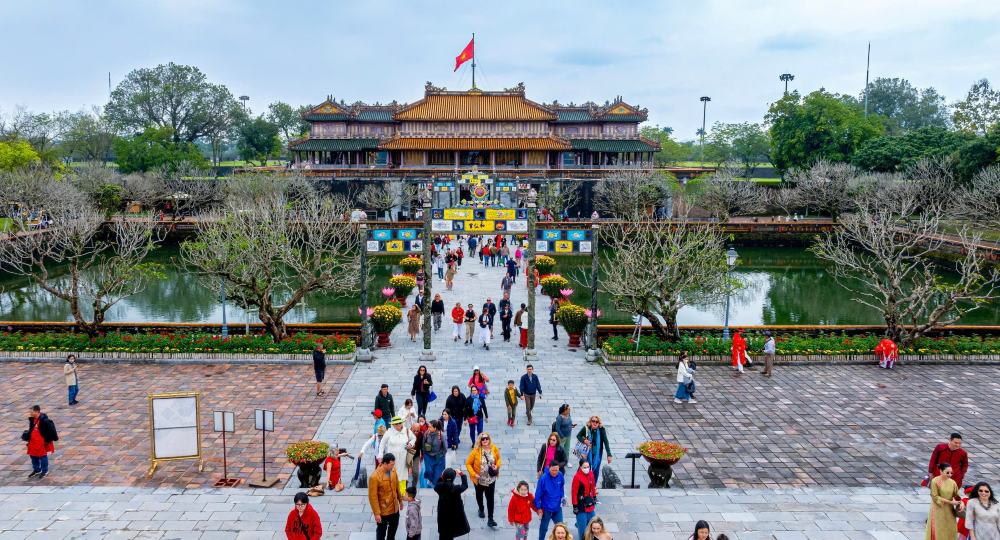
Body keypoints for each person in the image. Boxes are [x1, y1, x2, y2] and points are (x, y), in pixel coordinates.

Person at [465, 432, 502, 528]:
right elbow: (468, 463)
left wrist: (496, 466)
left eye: (486, 438)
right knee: (479, 495)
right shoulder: (476, 451)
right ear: (480, 441)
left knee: (490, 498)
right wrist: (474, 474)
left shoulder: (494, 448)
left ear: (489, 439)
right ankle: (481, 509)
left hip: (491, 479)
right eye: (483, 439)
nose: (485, 440)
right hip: (479, 479)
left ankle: (490, 518)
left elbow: (498, 459)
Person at [378, 417, 416, 496]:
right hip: (392, 459)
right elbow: (382, 443)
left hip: (403, 458)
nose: (398, 425)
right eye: (396, 424)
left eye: (399, 423)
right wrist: (380, 455)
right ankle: (392, 492)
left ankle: (402, 493)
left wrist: (410, 444)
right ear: (393, 425)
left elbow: (414, 438)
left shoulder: (407, 431)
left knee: (403, 475)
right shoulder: (389, 432)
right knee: (392, 474)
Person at [369, 453, 402, 540]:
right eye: (391, 465)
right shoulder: (374, 477)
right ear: (385, 463)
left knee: (393, 529)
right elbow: (373, 497)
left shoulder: (393, 471)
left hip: (394, 508)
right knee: (381, 531)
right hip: (383, 510)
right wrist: (376, 513)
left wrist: (400, 501)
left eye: (393, 464)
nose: (393, 466)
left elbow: (397, 486)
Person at [925, 463, 962, 540]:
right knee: (938, 529)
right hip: (938, 509)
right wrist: (951, 502)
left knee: (950, 528)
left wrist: (960, 503)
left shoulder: (952, 482)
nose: (950, 474)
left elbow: (957, 495)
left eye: (951, 473)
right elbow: (935, 497)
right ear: (941, 471)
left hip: (949, 509)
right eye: (947, 472)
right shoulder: (935, 481)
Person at [435, 468, 471, 540]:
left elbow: (438, 483)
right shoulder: (456, 489)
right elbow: (465, 485)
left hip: (442, 514)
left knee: (442, 533)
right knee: (450, 533)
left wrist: (442, 476)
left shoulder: (439, 487)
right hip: (453, 515)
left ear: (443, 476)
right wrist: (462, 474)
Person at [24, 405, 57, 479]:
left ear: (36, 411)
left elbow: (52, 431)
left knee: (42, 456)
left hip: (41, 442)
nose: (30, 413)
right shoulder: (32, 419)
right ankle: (37, 470)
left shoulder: (45, 420)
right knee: (32, 455)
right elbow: (31, 429)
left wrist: (47, 441)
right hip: (33, 442)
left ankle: (45, 471)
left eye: (31, 412)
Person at [535, 461, 566, 540]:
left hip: (557, 507)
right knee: (544, 528)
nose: (555, 472)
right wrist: (538, 508)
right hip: (546, 508)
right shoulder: (543, 478)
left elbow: (562, 487)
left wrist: (563, 497)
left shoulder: (560, 475)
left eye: (556, 470)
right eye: (553, 470)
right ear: (549, 468)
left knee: (561, 527)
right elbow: (538, 494)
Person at [576, 416, 612, 481]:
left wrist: (609, 454)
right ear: (590, 421)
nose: (595, 423)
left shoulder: (601, 430)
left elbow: (606, 442)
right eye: (593, 421)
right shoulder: (586, 428)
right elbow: (578, 436)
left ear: (599, 423)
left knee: (596, 470)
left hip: (597, 453)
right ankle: (579, 482)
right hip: (586, 453)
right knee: (584, 467)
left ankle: (593, 486)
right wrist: (584, 441)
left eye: (597, 422)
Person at [571, 459, 598, 540]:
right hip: (581, 506)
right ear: (580, 467)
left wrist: (594, 497)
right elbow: (574, 493)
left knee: (594, 525)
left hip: (589, 503)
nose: (586, 469)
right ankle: (580, 523)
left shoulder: (591, 474)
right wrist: (575, 506)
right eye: (584, 467)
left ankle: (579, 523)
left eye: (588, 467)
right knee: (582, 533)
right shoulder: (577, 477)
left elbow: (593, 486)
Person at [421, 419, 446, 488]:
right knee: (428, 471)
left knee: (437, 475)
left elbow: (445, 448)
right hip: (428, 456)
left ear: (435, 428)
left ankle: (434, 487)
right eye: (428, 426)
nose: (428, 428)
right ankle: (431, 481)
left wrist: (442, 456)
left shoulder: (441, 435)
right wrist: (424, 454)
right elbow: (423, 445)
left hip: (438, 456)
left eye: (430, 427)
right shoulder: (426, 433)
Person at [555, 404, 575, 469]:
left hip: (568, 435)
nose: (570, 410)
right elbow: (557, 428)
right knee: (560, 449)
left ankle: (566, 461)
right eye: (568, 409)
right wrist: (562, 436)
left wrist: (572, 425)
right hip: (562, 436)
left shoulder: (568, 415)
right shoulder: (559, 417)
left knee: (567, 449)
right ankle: (559, 461)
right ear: (564, 410)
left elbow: (569, 422)